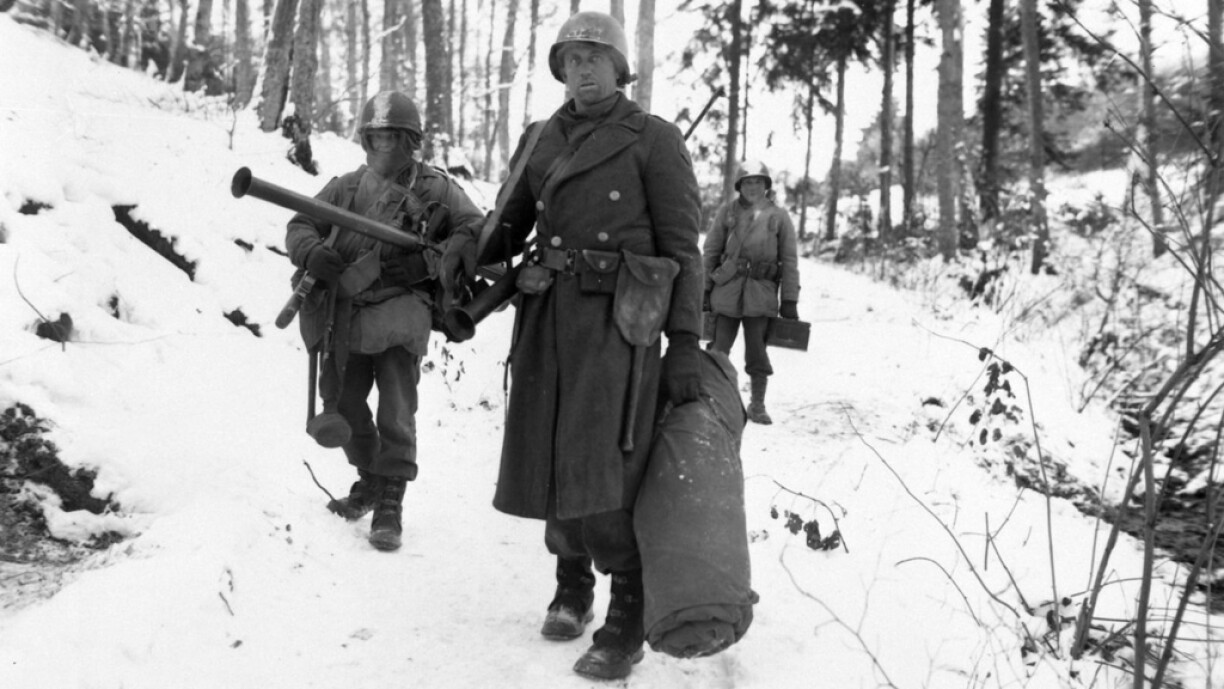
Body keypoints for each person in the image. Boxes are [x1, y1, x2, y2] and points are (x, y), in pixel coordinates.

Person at [476, 11, 704, 681]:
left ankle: (626, 614)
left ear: (620, 68)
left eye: (596, 57)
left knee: (608, 462)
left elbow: (683, 248)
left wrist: (686, 339)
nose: (583, 68)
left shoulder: (653, 139)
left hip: (621, 322)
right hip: (548, 314)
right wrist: (463, 267)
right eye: (572, 58)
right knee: (550, 449)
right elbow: (504, 226)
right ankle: (571, 582)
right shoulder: (541, 136)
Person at [285, 91, 482, 552]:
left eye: (395, 138)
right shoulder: (346, 187)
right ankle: (371, 478)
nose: (385, 148)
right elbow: (300, 224)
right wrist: (313, 251)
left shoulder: (438, 190)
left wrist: (440, 257)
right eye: (377, 138)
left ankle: (391, 497)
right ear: (364, 140)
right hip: (346, 312)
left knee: (396, 409)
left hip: (401, 310)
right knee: (346, 405)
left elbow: (474, 229)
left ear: (412, 142)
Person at [702, 159, 801, 425]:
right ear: (739, 186)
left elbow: (790, 260)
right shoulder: (727, 212)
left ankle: (757, 405)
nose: (753, 187)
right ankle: (712, 401)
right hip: (726, 291)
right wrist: (704, 289)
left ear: (767, 186)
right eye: (748, 182)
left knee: (757, 351)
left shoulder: (779, 217)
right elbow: (711, 251)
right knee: (718, 349)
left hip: (761, 294)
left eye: (758, 182)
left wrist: (789, 299)